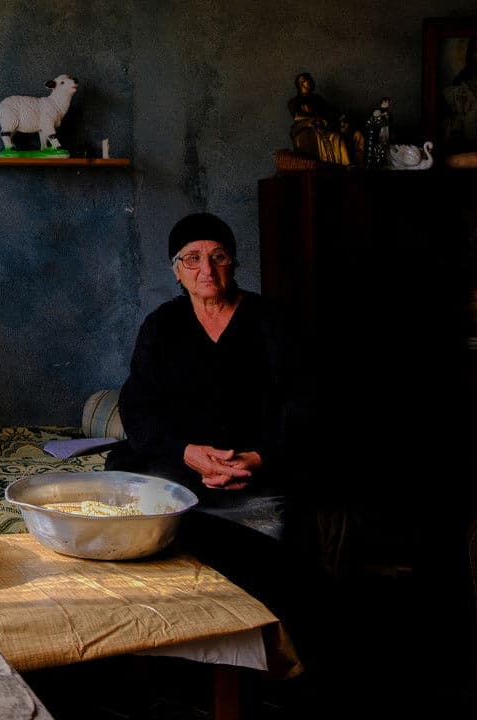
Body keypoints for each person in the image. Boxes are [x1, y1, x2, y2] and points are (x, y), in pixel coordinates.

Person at [106, 212, 329, 689]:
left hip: (257, 471)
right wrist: (187, 452)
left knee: (280, 538)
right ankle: (173, 663)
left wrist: (258, 457)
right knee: (145, 515)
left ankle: (262, 663)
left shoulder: (272, 321)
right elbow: (138, 407)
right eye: (192, 259)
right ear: (176, 270)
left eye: (218, 257)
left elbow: (304, 405)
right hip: (181, 469)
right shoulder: (162, 325)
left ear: (234, 263)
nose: (206, 270)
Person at [287, 72, 362, 165]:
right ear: (303, 83)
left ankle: (359, 166)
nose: (313, 82)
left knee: (357, 135)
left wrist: (341, 116)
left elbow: (330, 109)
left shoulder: (317, 98)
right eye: (310, 80)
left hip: (330, 125)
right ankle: (347, 166)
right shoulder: (294, 102)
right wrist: (317, 119)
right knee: (337, 138)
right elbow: (297, 117)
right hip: (318, 129)